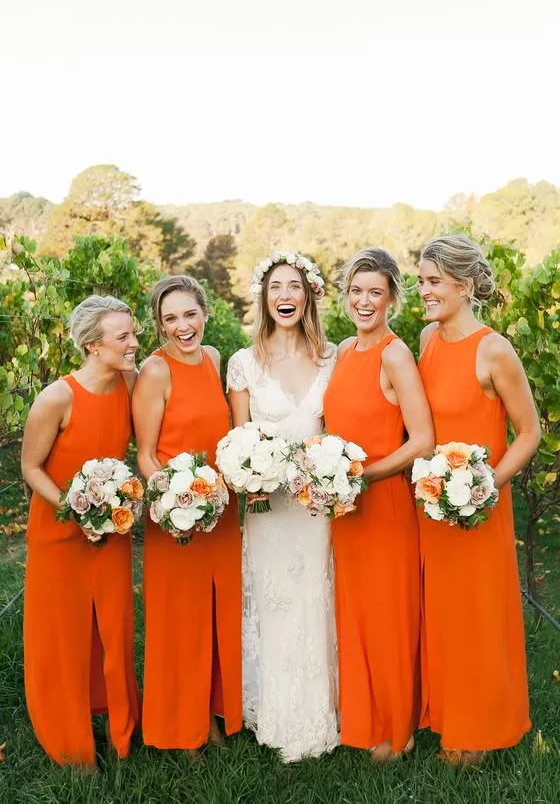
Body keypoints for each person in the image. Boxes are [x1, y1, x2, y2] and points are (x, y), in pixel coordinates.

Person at [417, 234, 541, 766]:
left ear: (465, 286)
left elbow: (529, 432)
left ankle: (483, 729)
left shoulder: (494, 348)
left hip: (479, 506)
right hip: (432, 503)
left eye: (433, 282)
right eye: (421, 280)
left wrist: (486, 486)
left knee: (478, 614)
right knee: (443, 613)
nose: (423, 291)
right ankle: (449, 714)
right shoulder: (426, 339)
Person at [227, 251, 339, 762]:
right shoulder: (244, 363)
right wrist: (252, 474)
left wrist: (329, 473)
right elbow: (239, 440)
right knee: (271, 602)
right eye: (276, 288)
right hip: (268, 509)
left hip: (316, 508)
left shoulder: (333, 357)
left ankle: (320, 710)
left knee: (315, 601)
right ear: (264, 298)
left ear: (309, 294)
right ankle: (270, 710)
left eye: (294, 286)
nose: (285, 296)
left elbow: (338, 432)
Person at [323, 248, 434, 762]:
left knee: (389, 616)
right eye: (356, 291)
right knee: (358, 614)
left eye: (375, 292)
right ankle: (365, 720)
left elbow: (423, 440)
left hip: (384, 503)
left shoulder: (394, 353)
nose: (364, 301)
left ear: (392, 297)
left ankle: (400, 727)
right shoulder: (345, 350)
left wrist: (364, 474)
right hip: (345, 510)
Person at [22, 295, 141, 768]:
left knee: (114, 629)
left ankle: (121, 729)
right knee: (64, 635)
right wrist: (76, 513)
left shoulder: (129, 384)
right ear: (93, 345)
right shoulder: (57, 398)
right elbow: (31, 467)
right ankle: (71, 746)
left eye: (132, 333)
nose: (135, 343)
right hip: (60, 532)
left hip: (111, 530)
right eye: (124, 337)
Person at [133, 275, 241, 758]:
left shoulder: (214, 358)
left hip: (220, 508)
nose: (183, 327)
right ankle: (178, 728)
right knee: (179, 621)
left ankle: (210, 715)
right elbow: (147, 454)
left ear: (205, 312)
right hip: (177, 514)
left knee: (215, 615)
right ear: (159, 325)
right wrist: (178, 503)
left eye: (190, 314)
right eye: (170, 318)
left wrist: (215, 495)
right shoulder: (156, 373)